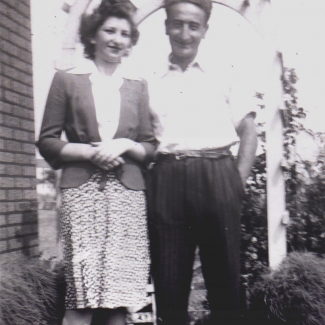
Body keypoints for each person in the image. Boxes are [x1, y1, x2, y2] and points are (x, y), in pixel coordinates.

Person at [37, 1, 156, 324]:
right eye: (110, 31)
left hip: (126, 196)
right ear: (93, 35)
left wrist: (124, 144)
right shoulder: (67, 79)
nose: (117, 39)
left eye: (125, 33)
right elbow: (47, 141)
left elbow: (150, 147)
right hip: (83, 193)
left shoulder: (137, 85)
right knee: (83, 296)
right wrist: (91, 152)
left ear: (132, 40)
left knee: (118, 299)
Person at [146, 0, 258, 324]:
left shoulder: (226, 71)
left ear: (205, 30)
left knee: (225, 289)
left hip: (218, 175)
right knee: (169, 289)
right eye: (177, 24)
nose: (185, 33)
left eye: (193, 26)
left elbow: (249, 131)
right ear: (166, 26)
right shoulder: (150, 79)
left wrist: (235, 184)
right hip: (166, 180)